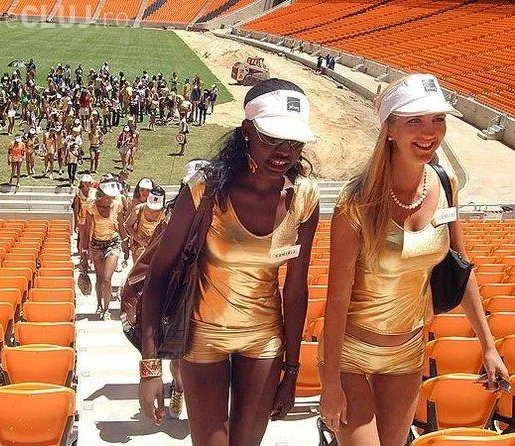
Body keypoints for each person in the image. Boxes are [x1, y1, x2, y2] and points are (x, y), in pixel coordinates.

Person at [318, 73, 509, 446]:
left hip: (407, 351)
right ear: (389, 129)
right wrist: (330, 383)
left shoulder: (446, 182)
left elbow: (462, 269)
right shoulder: (355, 202)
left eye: (438, 119)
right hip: (351, 353)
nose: (429, 132)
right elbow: (337, 299)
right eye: (415, 121)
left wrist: (488, 346)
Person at [138, 78, 319, 445]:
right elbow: (158, 275)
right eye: (272, 138)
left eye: (295, 142)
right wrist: (150, 367)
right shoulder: (206, 190)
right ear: (247, 131)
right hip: (203, 334)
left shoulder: (304, 198)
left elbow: (296, 290)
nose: (284, 152)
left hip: (265, 338)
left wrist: (292, 371)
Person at [81, 177, 127, 317]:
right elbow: (87, 230)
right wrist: (84, 252)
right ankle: (99, 305)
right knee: (99, 278)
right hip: (96, 245)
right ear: (102, 194)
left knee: (107, 278)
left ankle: (106, 309)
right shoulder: (91, 207)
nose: (112, 198)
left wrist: (125, 243)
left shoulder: (117, 205)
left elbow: (120, 226)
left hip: (113, 243)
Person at [125, 185, 166, 263]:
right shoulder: (139, 209)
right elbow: (127, 225)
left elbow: (166, 232)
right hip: (138, 247)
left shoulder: (165, 213)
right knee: (138, 269)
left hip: (155, 248)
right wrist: (139, 240)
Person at [73, 174, 96, 271]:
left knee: (92, 240)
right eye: (85, 182)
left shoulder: (95, 192)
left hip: (93, 219)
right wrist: (76, 223)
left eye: (89, 182)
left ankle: (91, 259)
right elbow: (76, 208)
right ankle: (83, 259)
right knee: (83, 240)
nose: (87, 184)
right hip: (82, 219)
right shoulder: (78, 193)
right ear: (82, 183)